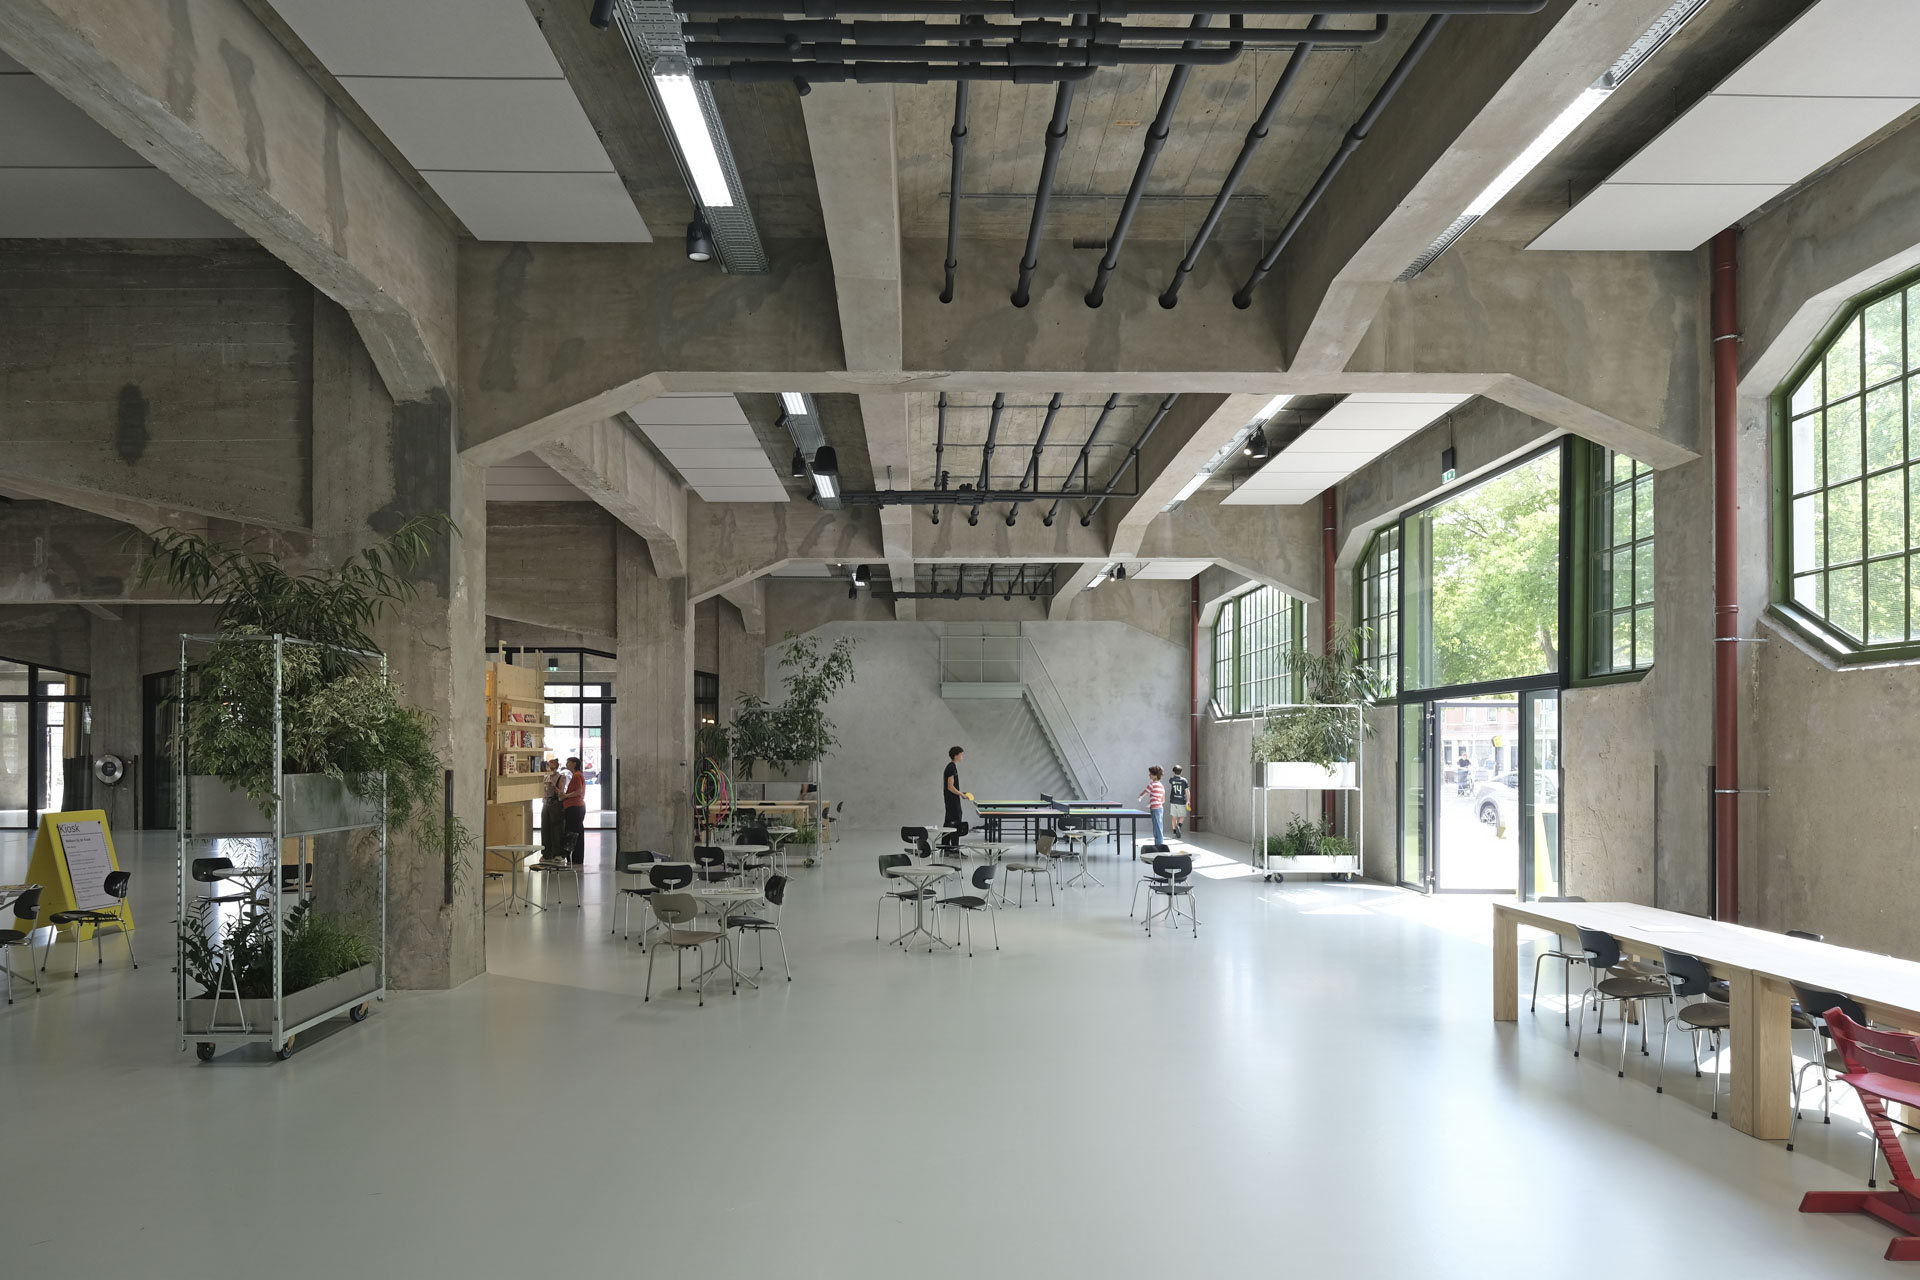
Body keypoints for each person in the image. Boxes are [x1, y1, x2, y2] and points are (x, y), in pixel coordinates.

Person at [561, 755, 587, 864]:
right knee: (577, 832)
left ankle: (575, 856)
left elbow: (579, 791)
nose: (566, 764)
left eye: (568, 762)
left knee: (573, 832)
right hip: (576, 806)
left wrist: (566, 796)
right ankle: (576, 857)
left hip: (575, 807)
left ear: (574, 764)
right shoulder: (577, 775)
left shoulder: (576, 776)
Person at [942, 746, 971, 834]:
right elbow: (950, 787)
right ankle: (954, 845)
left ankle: (946, 845)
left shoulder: (951, 766)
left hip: (950, 799)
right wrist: (961, 795)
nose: (962, 756)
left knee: (948, 822)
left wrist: (960, 792)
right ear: (955, 756)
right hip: (952, 800)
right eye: (961, 755)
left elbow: (952, 787)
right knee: (955, 821)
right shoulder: (951, 767)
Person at [1137, 765, 1167, 848]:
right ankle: (1158, 844)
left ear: (1155, 775)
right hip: (1160, 808)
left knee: (1157, 828)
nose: (1149, 775)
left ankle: (1159, 846)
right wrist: (1152, 803)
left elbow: (1145, 792)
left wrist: (1140, 797)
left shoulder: (1152, 784)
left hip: (1155, 809)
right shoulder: (1161, 786)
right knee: (1159, 827)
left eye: (1150, 774)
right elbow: (1163, 800)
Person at [540, 758, 563, 859]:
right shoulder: (545, 776)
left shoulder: (561, 777)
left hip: (555, 803)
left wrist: (554, 787)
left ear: (556, 767)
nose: (549, 768)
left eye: (551, 766)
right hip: (545, 803)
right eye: (548, 766)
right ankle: (546, 853)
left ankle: (558, 853)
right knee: (545, 829)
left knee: (556, 829)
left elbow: (561, 793)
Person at [1167, 765, 1190, 839]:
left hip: (1173, 800)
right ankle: (1179, 826)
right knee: (1182, 816)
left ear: (1173, 772)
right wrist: (1188, 800)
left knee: (1174, 816)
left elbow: (1171, 782)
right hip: (1181, 801)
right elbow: (1187, 791)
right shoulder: (1184, 780)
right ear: (1181, 772)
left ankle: (1174, 830)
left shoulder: (1171, 779)